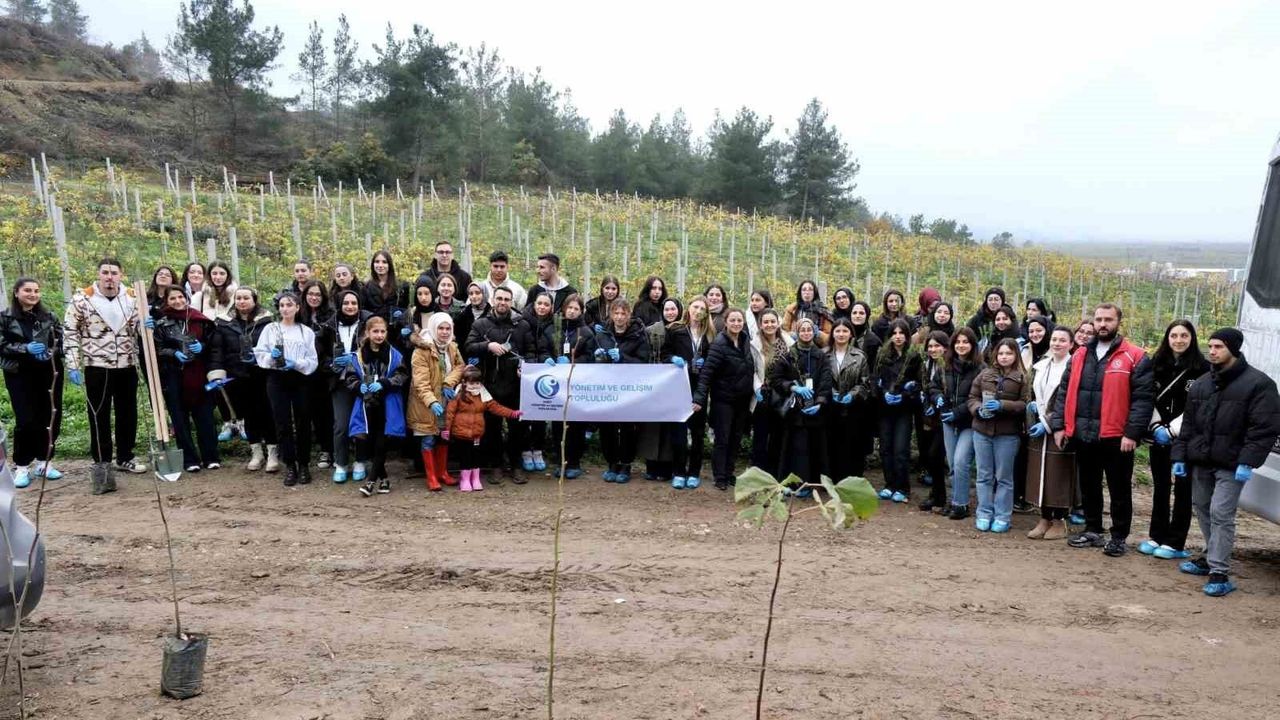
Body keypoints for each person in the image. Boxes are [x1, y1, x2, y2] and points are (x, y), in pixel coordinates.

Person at [1172, 327, 1280, 596]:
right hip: (1202, 460)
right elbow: (1188, 425)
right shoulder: (1202, 383)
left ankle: (1219, 571)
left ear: (1233, 348)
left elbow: (1264, 427)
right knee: (1203, 507)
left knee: (1221, 513)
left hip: (1232, 463)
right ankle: (1210, 555)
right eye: (1210, 346)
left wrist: (1247, 461)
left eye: (1218, 347)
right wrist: (1180, 455)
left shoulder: (1259, 384)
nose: (1212, 351)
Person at [1049, 303, 1154, 557]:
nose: (1103, 324)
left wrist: (1132, 432)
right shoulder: (1080, 354)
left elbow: (1143, 398)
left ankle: (1119, 536)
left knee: (1119, 488)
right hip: (1084, 434)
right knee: (1089, 485)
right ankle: (1093, 529)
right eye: (1098, 319)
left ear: (1118, 322)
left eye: (1108, 319)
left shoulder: (1135, 356)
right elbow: (1064, 392)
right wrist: (1059, 425)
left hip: (1117, 437)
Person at [65, 258, 147, 493]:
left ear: (121, 275)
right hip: (97, 365)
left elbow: (140, 329)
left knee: (127, 412)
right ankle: (102, 461)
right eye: (105, 273)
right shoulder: (83, 299)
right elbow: (70, 331)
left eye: (114, 273)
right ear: (99, 274)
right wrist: (73, 363)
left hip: (126, 363)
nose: (109, 277)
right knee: (98, 413)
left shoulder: (132, 297)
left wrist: (145, 325)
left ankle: (124, 456)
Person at [1138, 320, 1211, 559]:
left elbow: (1199, 405)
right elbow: (1147, 396)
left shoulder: (1203, 368)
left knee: (1183, 489)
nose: (1178, 340)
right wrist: (1156, 425)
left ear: (1192, 338)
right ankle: (1156, 535)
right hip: (1157, 434)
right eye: (1174, 335)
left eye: (1184, 335)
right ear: (1167, 338)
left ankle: (1175, 542)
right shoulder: (1155, 363)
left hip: (1186, 437)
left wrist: (1172, 430)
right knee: (1160, 487)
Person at [464, 286, 534, 483]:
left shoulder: (522, 325)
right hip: (490, 385)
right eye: (499, 299)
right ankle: (496, 465)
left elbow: (531, 351)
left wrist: (525, 366)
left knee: (517, 429)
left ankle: (516, 465)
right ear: (493, 300)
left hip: (516, 385)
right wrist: (488, 346)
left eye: (507, 299)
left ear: (511, 302)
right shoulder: (481, 324)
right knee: (492, 429)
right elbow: (468, 346)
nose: (503, 302)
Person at [1, 278, 65, 487]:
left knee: (49, 417)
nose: (33, 294)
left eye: (36, 290)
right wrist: (24, 349)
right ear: (16, 292)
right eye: (27, 290)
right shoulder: (5, 318)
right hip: (19, 374)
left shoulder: (49, 316)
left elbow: (61, 341)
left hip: (48, 372)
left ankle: (44, 462)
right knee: (26, 419)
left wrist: (48, 352)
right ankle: (21, 466)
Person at [208, 287, 279, 474]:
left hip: (262, 375)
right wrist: (217, 373)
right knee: (248, 415)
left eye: (246, 298)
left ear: (254, 300)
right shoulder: (224, 323)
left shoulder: (267, 322)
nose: (242, 301)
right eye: (238, 298)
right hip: (237, 376)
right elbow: (217, 350)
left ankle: (272, 452)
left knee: (267, 413)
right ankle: (256, 452)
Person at [254, 292, 319, 487]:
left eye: (289, 305)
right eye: (282, 305)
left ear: (298, 307)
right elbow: (259, 353)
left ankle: (304, 464)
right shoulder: (270, 329)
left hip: (299, 379)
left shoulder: (305, 331)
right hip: (276, 379)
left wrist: (296, 363)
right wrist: (271, 357)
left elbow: (312, 360)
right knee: (282, 422)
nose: (285, 309)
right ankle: (290, 465)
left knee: (303, 421)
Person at [154, 286, 220, 472]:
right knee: (180, 419)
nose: (177, 301)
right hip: (175, 375)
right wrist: (173, 353)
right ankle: (189, 459)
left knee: (205, 416)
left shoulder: (200, 320)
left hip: (199, 373)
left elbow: (213, 343)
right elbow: (157, 349)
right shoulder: (161, 323)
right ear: (167, 301)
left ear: (186, 298)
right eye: (173, 298)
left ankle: (211, 456)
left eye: (180, 297)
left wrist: (203, 346)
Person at [968, 338, 1030, 533]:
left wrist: (1003, 405)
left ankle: (1003, 515)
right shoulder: (984, 375)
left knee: (1004, 477)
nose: (1004, 357)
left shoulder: (1022, 377)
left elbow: (1024, 404)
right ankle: (984, 512)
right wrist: (978, 409)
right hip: (982, 431)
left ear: (1015, 355)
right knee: (984, 475)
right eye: (1001, 353)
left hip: (1007, 434)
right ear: (995, 355)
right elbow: (972, 398)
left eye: (1009, 353)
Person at [343, 316, 409, 497]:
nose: (379, 335)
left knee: (382, 442)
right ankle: (385, 479)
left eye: (382, 331)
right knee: (370, 442)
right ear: (367, 333)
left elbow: (402, 375)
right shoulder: (358, 356)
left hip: (387, 404)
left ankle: (370, 481)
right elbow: (349, 378)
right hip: (366, 404)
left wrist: (385, 383)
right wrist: (358, 386)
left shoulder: (394, 354)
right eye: (375, 331)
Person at [692, 308, 755, 491]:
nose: (736, 323)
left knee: (736, 438)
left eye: (739, 320)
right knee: (723, 438)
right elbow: (707, 373)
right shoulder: (719, 344)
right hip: (723, 400)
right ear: (726, 322)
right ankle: (720, 476)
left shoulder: (746, 341)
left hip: (742, 400)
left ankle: (729, 472)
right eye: (733, 320)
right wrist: (700, 397)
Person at [1025, 326, 1075, 540]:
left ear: (1071, 344)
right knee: (1040, 472)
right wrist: (1034, 405)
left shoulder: (1073, 367)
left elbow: (1068, 401)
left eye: (1062, 340)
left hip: (1059, 427)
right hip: (1039, 425)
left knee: (1058, 474)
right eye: (1054, 339)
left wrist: (1048, 422)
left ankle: (1060, 520)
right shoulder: (1041, 365)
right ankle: (1044, 518)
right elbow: (1035, 392)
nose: (1057, 344)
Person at [769, 317, 831, 491]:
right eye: (802, 330)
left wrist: (819, 402)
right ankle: (796, 484)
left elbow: (826, 382)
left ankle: (815, 484)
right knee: (796, 448)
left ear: (814, 332)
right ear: (797, 332)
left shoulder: (821, 356)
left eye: (809, 329)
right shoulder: (788, 355)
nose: (806, 333)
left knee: (815, 447)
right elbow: (776, 380)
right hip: (795, 411)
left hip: (816, 411)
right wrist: (794, 387)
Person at [638, 297, 693, 486]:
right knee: (653, 427)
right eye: (667, 309)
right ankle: (651, 466)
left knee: (671, 429)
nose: (670, 312)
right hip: (656, 384)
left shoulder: (684, 330)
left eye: (673, 309)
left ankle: (667, 469)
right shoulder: (652, 330)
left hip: (677, 386)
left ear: (679, 310)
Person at [443, 366, 523, 492]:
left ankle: (475, 479)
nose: (474, 386)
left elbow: (496, 407)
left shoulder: (484, 396)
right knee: (465, 457)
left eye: (477, 383)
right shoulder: (458, 395)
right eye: (471, 383)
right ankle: (465, 479)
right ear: (464, 382)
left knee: (476, 456)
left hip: (476, 433)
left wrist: (512, 413)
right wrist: (447, 429)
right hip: (461, 433)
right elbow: (450, 413)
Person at [594, 298, 646, 482]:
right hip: (607, 388)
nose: (619, 317)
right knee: (607, 426)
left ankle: (625, 464)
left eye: (623, 313)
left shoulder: (638, 335)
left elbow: (643, 361)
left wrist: (623, 357)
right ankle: (611, 463)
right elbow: (595, 360)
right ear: (611, 314)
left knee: (626, 428)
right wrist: (599, 357)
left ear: (629, 315)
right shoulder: (603, 334)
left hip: (628, 389)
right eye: (616, 313)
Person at [546, 294, 597, 478]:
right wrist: (548, 358)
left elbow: (590, 357)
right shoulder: (553, 329)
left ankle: (574, 462)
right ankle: (560, 461)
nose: (572, 311)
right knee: (558, 424)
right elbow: (544, 348)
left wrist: (572, 361)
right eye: (570, 308)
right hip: (557, 386)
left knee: (576, 425)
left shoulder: (586, 332)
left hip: (578, 385)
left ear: (581, 311)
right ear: (564, 309)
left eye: (576, 308)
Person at [938, 328, 984, 520]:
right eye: (958, 342)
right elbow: (934, 386)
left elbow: (977, 397)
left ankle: (961, 504)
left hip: (969, 422)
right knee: (952, 464)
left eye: (965, 342)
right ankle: (956, 500)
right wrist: (937, 397)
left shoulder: (980, 369)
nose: (961, 345)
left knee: (961, 461)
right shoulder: (946, 366)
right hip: (948, 421)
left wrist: (957, 412)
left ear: (972, 345)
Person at [874, 319, 922, 502]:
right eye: (894, 333)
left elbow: (918, 383)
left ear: (907, 335)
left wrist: (905, 394)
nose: (898, 337)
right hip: (886, 409)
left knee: (900, 448)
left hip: (904, 409)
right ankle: (889, 484)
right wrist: (883, 392)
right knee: (885, 447)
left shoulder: (913, 356)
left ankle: (903, 487)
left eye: (901, 333)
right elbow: (876, 379)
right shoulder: (883, 355)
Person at [325, 289, 370, 482]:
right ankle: (341, 463)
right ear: (340, 305)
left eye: (354, 303)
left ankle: (360, 460)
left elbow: (377, 348)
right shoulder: (329, 327)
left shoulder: (367, 324)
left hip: (361, 382)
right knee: (341, 425)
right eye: (346, 303)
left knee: (360, 423)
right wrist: (331, 364)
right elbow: (321, 355)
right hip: (340, 382)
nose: (350, 306)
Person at [825, 318, 871, 482]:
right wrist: (831, 392)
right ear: (833, 333)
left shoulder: (859, 356)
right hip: (829, 409)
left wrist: (851, 394)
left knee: (852, 446)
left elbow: (865, 382)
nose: (841, 334)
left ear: (851, 333)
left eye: (845, 331)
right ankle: (833, 480)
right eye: (837, 331)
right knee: (831, 445)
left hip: (853, 410)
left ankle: (852, 480)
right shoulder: (824, 354)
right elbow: (820, 380)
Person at [300, 280, 336, 470]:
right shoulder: (299, 315)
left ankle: (327, 450)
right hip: (303, 371)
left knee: (326, 413)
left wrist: (328, 363)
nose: (314, 297)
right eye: (310, 294)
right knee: (309, 412)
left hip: (323, 372)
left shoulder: (331, 317)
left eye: (318, 295)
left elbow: (333, 344)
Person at [749, 308, 789, 475]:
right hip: (762, 395)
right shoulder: (754, 344)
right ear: (760, 324)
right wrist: (757, 386)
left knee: (778, 435)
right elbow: (750, 369)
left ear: (778, 322)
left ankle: (774, 472)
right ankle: (757, 471)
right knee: (760, 435)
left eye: (772, 321)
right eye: (766, 322)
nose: (769, 325)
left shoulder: (788, 343)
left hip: (782, 395)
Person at [681, 296, 715, 487]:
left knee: (697, 432)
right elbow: (668, 353)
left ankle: (694, 472)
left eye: (702, 308)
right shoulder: (678, 331)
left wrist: (706, 363)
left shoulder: (710, 336)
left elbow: (714, 363)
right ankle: (679, 470)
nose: (698, 311)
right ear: (689, 308)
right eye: (695, 307)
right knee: (679, 432)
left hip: (700, 388)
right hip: (680, 387)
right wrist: (678, 360)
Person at [917, 331, 952, 512]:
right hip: (929, 418)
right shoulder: (927, 364)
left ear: (945, 347)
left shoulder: (949, 365)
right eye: (930, 346)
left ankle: (945, 498)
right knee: (931, 457)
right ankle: (936, 495)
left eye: (937, 346)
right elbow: (926, 388)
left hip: (946, 418)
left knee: (936, 455)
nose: (933, 349)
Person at [524, 293, 558, 471]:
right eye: (540, 303)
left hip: (545, 375)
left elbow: (552, 348)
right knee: (525, 414)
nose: (542, 307)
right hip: (526, 373)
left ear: (551, 307)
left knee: (540, 414)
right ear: (534, 304)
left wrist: (549, 359)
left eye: (546, 304)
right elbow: (521, 345)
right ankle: (524, 450)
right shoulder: (523, 321)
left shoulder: (554, 325)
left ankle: (537, 450)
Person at [781, 280, 834, 347]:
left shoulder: (823, 311)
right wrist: (794, 335)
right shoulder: (792, 310)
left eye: (810, 290)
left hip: (818, 350)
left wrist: (817, 334)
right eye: (804, 290)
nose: (807, 292)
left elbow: (829, 339)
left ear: (814, 293)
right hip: (794, 348)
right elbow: (783, 332)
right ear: (800, 293)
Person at [363, 250, 411, 323]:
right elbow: (364, 311)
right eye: (377, 262)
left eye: (384, 262)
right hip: (375, 329)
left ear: (389, 265)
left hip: (395, 329)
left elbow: (405, 309)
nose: (380, 265)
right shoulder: (366, 287)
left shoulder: (401, 286)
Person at [967, 287, 1007, 354]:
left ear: (1002, 301)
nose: (993, 302)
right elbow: (967, 334)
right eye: (990, 300)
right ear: (986, 301)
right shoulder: (977, 318)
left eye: (996, 300)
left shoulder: (1008, 317)